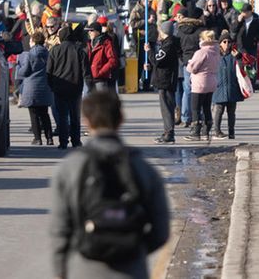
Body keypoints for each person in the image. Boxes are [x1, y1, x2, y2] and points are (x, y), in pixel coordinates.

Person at [48, 90, 172, 279]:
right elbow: (161, 231)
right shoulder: (142, 168)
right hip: (132, 270)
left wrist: (61, 271)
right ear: (121, 119)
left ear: (86, 121)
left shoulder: (70, 168)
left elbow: (60, 231)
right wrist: (131, 250)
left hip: (83, 269)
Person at [47, 26, 88, 149]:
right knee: (75, 116)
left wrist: (52, 86)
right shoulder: (80, 50)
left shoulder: (54, 50)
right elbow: (85, 71)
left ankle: (63, 141)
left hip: (59, 88)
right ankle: (76, 140)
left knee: (63, 116)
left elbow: (49, 71)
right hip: (75, 87)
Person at [18, 31, 54, 146]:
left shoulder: (30, 55)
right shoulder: (48, 53)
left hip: (32, 87)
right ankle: (49, 138)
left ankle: (37, 139)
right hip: (45, 86)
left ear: (33, 41)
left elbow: (25, 71)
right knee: (45, 114)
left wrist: (19, 69)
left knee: (33, 115)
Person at [185, 29, 221, 143]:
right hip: (211, 82)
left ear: (204, 40)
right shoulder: (216, 51)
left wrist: (190, 63)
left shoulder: (201, 52)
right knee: (206, 108)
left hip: (200, 83)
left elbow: (192, 68)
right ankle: (206, 132)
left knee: (195, 108)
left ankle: (195, 132)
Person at [150, 22, 182, 144]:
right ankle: (167, 131)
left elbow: (158, 60)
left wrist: (149, 52)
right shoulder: (168, 43)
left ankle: (169, 133)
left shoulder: (168, 45)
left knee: (167, 107)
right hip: (164, 79)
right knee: (166, 107)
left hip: (166, 80)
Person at [174, 8, 204, 126]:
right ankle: (198, 115)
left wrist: (183, 58)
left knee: (187, 90)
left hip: (186, 62)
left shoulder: (180, 30)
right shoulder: (200, 30)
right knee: (199, 89)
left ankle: (185, 117)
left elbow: (178, 49)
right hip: (199, 62)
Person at [212, 32, 244, 139]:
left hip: (232, 88)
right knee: (218, 110)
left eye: (228, 42)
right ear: (220, 44)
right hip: (219, 87)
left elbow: (242, 70)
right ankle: (217, 131)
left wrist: (239, 58)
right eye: (224, 42)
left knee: (231, 112)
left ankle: (231, 132)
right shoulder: (215, 56)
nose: (226, 44)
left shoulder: (234, 55)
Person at [86, 21, 119, 93]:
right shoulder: (88, 43)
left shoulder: (106, 43)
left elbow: (113, 60)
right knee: (90, 103)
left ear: (97, 31)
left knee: (102, 103)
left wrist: (101, 72)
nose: (89, 32)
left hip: (100, 80)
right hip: (89, 79)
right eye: (88, 31)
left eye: (91, 30)